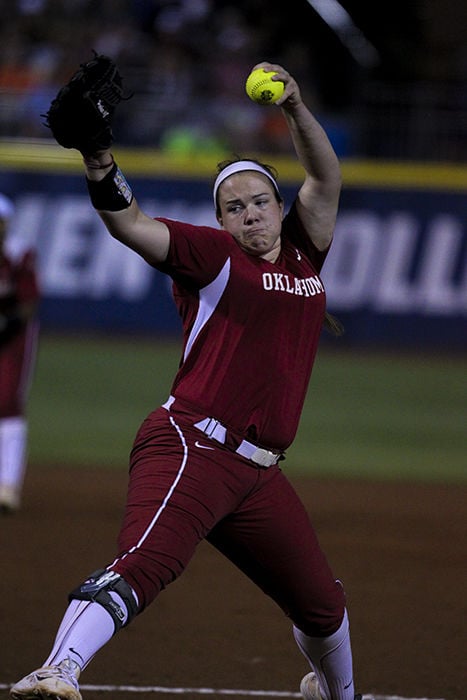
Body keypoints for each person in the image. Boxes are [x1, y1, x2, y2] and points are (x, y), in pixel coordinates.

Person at [10, 62, 361, 700]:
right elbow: (130, 224)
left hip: (259, 474)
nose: (251, 215)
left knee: (322, 604)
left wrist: (295, 107)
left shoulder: (306, 249)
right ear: (221, 221)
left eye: (260, 202)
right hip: (191, 447)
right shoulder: (212, 255)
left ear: (279, 208)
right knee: (147, 565)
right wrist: (97, 158)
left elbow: (326, 175)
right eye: (236, 208)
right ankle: (55, 671)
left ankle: (339, 694)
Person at [0, 193, 40, 513]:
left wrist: (6, 324)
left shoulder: (18, 252)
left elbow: (27, 304)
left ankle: (7, 485)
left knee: (8, 402)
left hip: (12, 336)